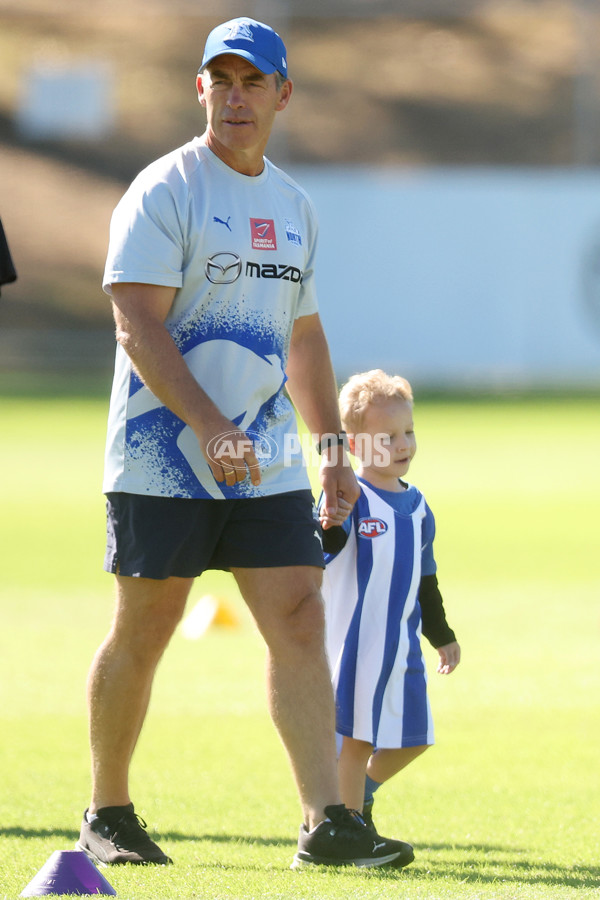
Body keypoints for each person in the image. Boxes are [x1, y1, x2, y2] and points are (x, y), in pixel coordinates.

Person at [76, 18, 413, 871]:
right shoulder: (164, 190)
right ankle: (107, 812)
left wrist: (331, 449)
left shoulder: (293, 206)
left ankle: (325, 821)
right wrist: (209, 425)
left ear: (282, 95)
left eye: (252, 82)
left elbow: (303, 339)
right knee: (147, 624)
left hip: (264, 464)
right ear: (200, 92)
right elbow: (136, 326)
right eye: (219, 81)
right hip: (162, 457)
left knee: (300, 618)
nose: (235, 97)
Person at [319, 369, 461, 834]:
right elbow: (319, 550)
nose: (403, 445)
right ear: (355, 446)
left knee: (413, 738)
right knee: (358, 738)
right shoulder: (348, 498)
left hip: (401, 649)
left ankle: (356, 797)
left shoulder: (418, 505)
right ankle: (347, 829)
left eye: (409, 433)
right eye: (389, 437)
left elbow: (426, 578)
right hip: (358, 646)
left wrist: (441, 635)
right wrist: (329, 525)